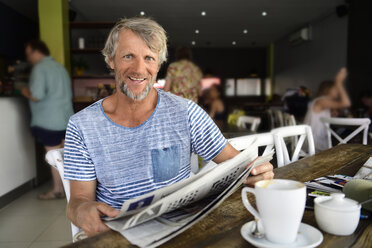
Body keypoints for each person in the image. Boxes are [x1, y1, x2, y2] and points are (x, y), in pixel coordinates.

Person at [64, 17, 274, 237]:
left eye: (149, 58)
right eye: (128, 56)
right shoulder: (82, 126)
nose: (139, 68)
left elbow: (238, 166)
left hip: (179, 229)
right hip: (115, 233)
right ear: (110, 60)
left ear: (158, 64)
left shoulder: (187, 113)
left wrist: (258, 172)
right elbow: (79, 200)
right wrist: (82, 210)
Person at [21, 40, 74, 199]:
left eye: (28, 54)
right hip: (66, 118)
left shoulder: (40, 68)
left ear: (36, 52)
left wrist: (25, 91)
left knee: (54, 156)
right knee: (66, 156)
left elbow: (37, 95)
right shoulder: (60, 68)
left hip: (49, 121)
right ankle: (72, 189)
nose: (28, 58)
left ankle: (58, 190)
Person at [304, 67, 351, 151]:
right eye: (336, 88)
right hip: (314, 143)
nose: (338, 91)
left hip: (312, 139)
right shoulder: (322, 100)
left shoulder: (320, 101)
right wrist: (339, 82)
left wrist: (330, 115)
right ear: (328, 89)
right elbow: (346, 103)